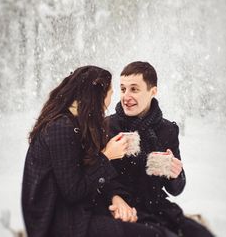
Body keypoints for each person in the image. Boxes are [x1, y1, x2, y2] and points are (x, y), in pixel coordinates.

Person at [21, 65, 167, 237]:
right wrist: (106, 156)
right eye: (112, 92)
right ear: (97, 95)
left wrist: (115, 197)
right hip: (57, 221)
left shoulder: (77, 123)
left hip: (75, 211)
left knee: (150, 227)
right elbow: (73, 191)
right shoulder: (61, 128)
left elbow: (88, 171)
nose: (112, 99)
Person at [109, 61, 215, 237]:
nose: (126, 96)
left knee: (201, 234)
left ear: (153, 92)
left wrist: (175, 174)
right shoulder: (108, 126)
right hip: (127, 209)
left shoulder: (167, 130)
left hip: (159, 207)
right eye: (123, 89)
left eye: (134, 89)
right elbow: (99, 176)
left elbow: (176, 189)